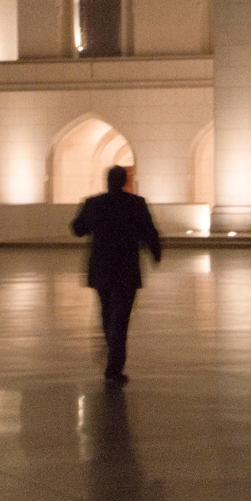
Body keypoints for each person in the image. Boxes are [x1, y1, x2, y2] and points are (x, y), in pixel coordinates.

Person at [71, 163, 161, 384]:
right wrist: (155, 253)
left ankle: (111, 345)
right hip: (126, 268)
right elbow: (149, 232)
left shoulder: (94, 203)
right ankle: (114, 365)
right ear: (125, 182)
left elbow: (77, 229)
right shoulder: (136, 204)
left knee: (107, 310)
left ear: (107, 181)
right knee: (121, 317)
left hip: (102, 267)